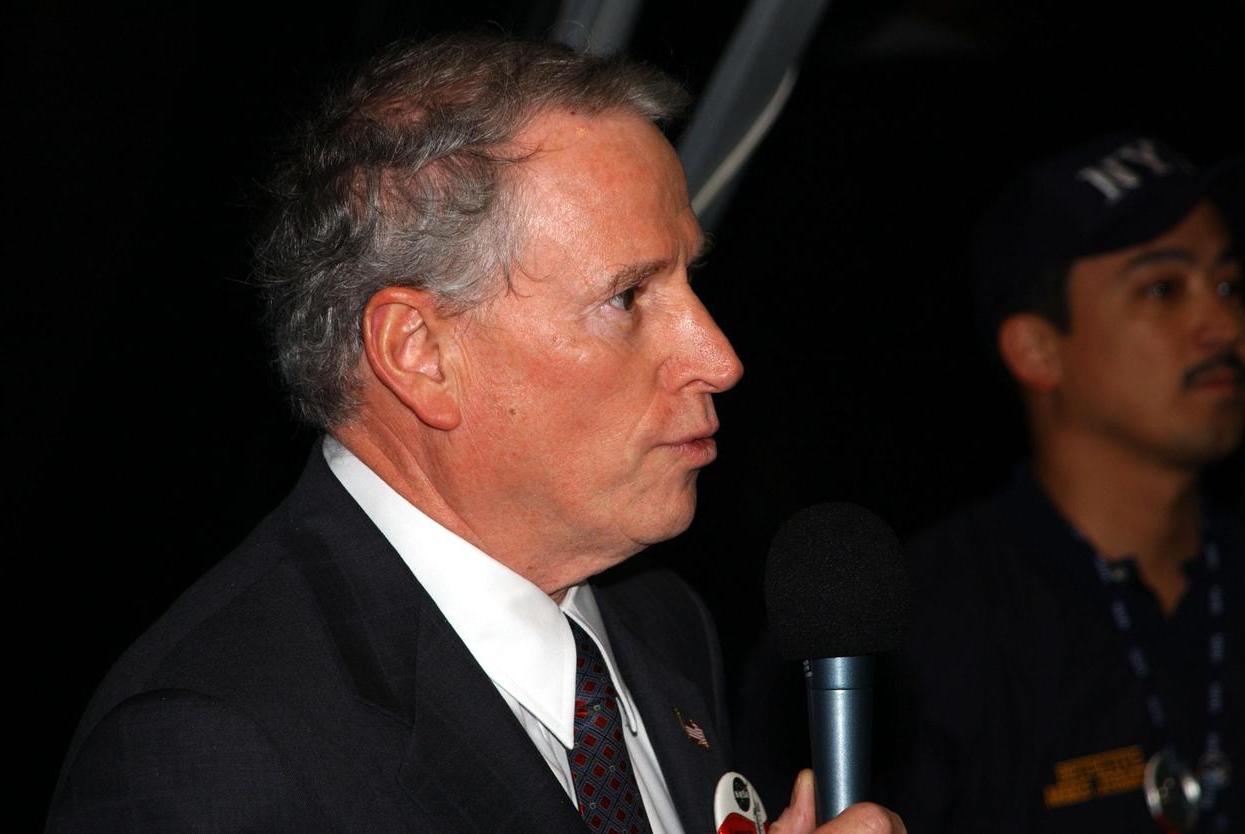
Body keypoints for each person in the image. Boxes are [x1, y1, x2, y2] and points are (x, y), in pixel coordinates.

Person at [45, 33, 904, 834]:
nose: (718, 358)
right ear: (420, 354)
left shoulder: (658, 620)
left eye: (691, 279)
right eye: (628, 297)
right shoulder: (211, 749)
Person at [884, 132, 1244, 833]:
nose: (1224, 326)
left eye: (1231, 285)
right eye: (1163, 289)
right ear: (1037, 350)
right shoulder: (921, 637)